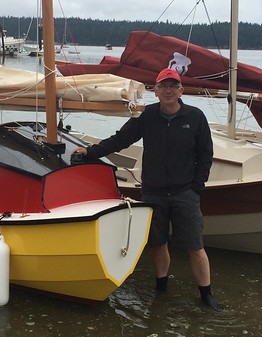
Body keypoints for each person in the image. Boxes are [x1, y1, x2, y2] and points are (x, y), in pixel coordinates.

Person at [72, 68, 223, 311]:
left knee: (195, 246)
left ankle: (206, 294)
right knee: (158, 243)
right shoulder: (147, 116)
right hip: (154, 191)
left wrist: (197, 187)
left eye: (173, 86)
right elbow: (120, 140)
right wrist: (90, 152)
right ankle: (161, 286)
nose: (168, 90)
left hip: (185, 193)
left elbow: (206, 155)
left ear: (181, 90)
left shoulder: (195, 117)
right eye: (163, 86)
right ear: (155, 90)